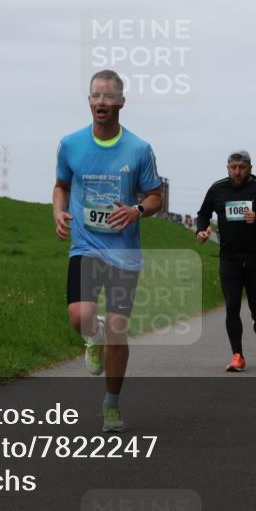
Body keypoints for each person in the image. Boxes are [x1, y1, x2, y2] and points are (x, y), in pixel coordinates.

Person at [53, 69, 163, 432]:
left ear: (121, 102)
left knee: (118, 330)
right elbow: (61, 185)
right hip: (85, 246)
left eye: (109, 96)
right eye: (96, 95)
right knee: (79, 318)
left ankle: (111, 405)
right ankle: (92, 334)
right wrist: (58, 211)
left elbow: (156, 196)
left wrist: (137, 210)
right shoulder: (70, 144)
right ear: (89, 100)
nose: (101, 102)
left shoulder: (139, 149)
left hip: (124, 253)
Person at [195, 151, 256, 372]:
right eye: (233, 167)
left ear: (250, 168)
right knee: (232, 307)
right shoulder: (217, 189)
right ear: (227, 167)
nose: (237, 172)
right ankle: (237, 355)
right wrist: (200, 230)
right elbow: (203, 213)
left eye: (242, 167)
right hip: (229, 260)